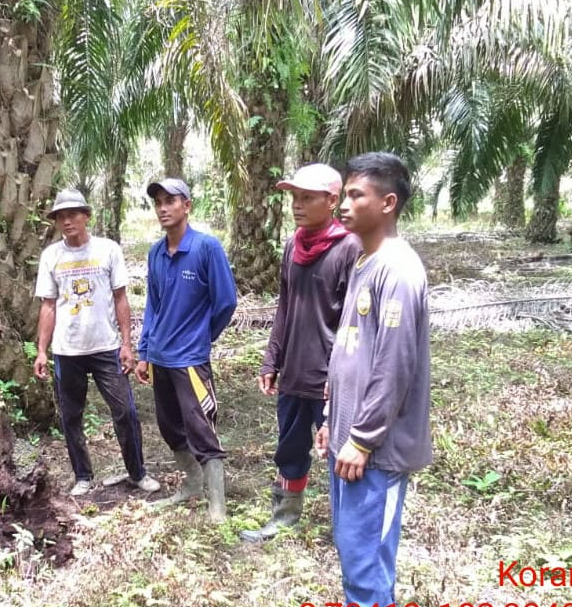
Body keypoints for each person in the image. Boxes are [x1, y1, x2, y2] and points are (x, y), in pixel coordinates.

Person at [314, 152, 432, 607]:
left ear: (387, 203)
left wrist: (362, 438)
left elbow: (393, 364)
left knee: (364, 546)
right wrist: (330, 421)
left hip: (376, 449)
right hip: (348, 439)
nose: (343, 205)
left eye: (355, 195)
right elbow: (353, 350)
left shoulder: (398, 270)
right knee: (354, 540)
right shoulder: (364, 260)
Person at [241, 164, 359, 542]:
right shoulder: (294, 244)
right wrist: (272, 358)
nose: (297, 205)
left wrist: (339, 376)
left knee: (341, 450)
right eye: (294, 197)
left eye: (307, 197)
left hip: (330, 376)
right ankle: (285, 515)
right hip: (294, 371)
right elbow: (285, 306)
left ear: (332, 200)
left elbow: (352, 323)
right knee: (290, 446)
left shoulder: (349, 249)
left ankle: (347, 526)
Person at [32, 188, 160, 497]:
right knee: (71, 416)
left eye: (73, 214)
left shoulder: (107, 250)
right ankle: (83, 476)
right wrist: (41, 350)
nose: (67, 221)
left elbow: (120, 298)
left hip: (106, 347)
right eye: (61, 217)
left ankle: (137, 473)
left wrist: (127, 345)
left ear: (87, 216)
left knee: (126, 412)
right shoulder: (52, 256)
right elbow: (48, 306)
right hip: (67, 350)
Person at [134, 178, 237, 521]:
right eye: (158, 202)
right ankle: (191, 485)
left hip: (191, 359)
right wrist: (145, 351)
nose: (163, 208)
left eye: (170, 201)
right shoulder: (156, 253)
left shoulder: (207, 248)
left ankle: (217, 506)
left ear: (187, 206)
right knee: (169, 426)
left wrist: (201, 337)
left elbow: (225, 302)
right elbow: (154, 305)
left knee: (202, 427)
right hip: (161, 356)